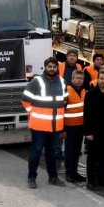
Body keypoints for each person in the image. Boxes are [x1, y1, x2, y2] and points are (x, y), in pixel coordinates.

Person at [21, 57, 68, 189]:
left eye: (54, 67)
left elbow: (65, 101)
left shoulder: (62, 81)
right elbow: (25, 100)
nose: (52, 69)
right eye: (49, 66)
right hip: (39, 126)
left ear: (57, 68)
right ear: (45, 67)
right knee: (36, 152)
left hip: (55, 126)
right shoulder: (36, 81)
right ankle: (31, 178)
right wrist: (32, 113)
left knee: (52, 153)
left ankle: (53, 177)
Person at [63, 70, 87, 183]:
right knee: (69, 151)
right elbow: (61, 111)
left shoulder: (84, 91)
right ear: (72, 79)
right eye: (77, 78)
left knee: (77, 151)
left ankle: (74, 172)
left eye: (81, 78)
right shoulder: (67, 91)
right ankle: (69, 173)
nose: (79, 80)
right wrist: (63, 129)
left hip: (80, 126)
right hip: (69, 127)